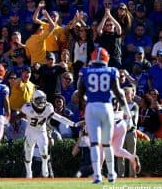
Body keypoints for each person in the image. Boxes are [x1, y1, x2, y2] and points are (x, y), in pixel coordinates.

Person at [77, 47, 132, 183]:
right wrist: (126, 111)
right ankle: (112, 174)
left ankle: (97, 175)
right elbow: (119, 93)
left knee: (95, 143)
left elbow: (79, 92)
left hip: (91, 106)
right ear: (106, 59)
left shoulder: (86, 71)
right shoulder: (111, 71)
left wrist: (87, 104)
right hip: (106, 107)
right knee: (107, 143)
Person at [21, 90, 75, 178]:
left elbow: (59, 117)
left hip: (41, 131)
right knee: (28, 153)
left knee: (44, 152)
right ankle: (28, 172)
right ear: (33, 100)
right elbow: (20, 113)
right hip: (30, 132)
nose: (41, 102)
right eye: (39, 99)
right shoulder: (27, 107)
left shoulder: (48, 107)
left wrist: (73, 124)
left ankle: (45, 166)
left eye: (43, 99)